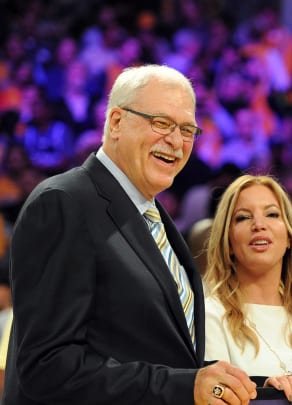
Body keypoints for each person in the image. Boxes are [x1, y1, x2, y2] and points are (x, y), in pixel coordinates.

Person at [3, 65, 258, 405]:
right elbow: (47, 368)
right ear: (116, 122)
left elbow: (162, 356)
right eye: (161, 123)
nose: (176, 141)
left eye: (187, 130)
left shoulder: (154, 216)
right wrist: (185, 387)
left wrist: (250, 386)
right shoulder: (64, 202)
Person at [203, 174, 292, 405]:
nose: (259, 225)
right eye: (243, 217)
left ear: (288, 237)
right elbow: (211, 396)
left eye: (272, 214)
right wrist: (264, 398)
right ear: (228, 242)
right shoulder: (210, 316)